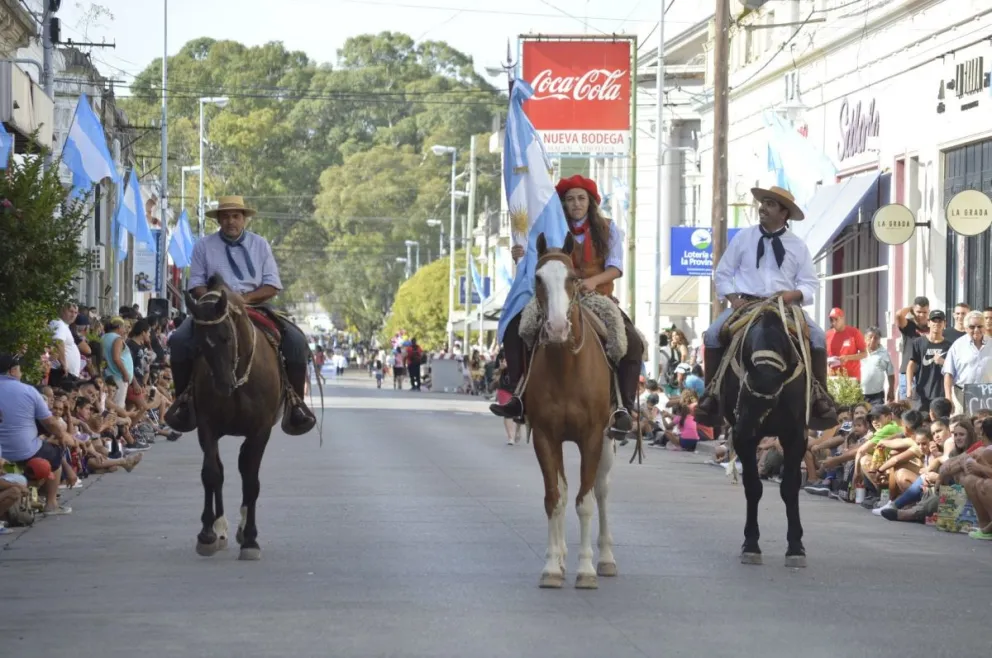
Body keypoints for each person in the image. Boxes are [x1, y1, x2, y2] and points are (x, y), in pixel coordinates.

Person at [489, 175, 644, 438]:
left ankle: (624, 407)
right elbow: (536, 263)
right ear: (563, 203)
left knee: (631, 341)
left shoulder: (609, 228)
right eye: (570, 199)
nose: (576, 204)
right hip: (556, 296)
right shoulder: (551, 230)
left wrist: (593, 281)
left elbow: (615, 268)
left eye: (581, 198)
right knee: (518, 327)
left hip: (596, 297)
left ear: (591, 202)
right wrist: (521, 255)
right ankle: (518, 394)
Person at [165, 195, 315, 435]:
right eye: (225, 216)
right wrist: (216, 299)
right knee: (180, 340)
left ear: (244, 219)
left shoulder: (260, 244)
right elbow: (196, 284)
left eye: (235, 216)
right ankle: (183, 400)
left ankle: (295, 403)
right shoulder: (204, 245)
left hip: (252, 306)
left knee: (296, 341)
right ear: (219, 220)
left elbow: (272, 285)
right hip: (215, 310)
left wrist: (243, 299)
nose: (230, 221)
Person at [694, 185, 837, 430]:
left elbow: (810, 282)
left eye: (770, 204)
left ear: (784, 214)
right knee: (713, 334)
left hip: (785, 308)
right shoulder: (743, 238)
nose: (763, 208)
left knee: (818, 337)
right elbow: (723, 273)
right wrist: (732, 298)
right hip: (747, 305)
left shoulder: (798, 246)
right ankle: (712, 395)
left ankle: (818, 396)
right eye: (764, 203)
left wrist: (794, 293)